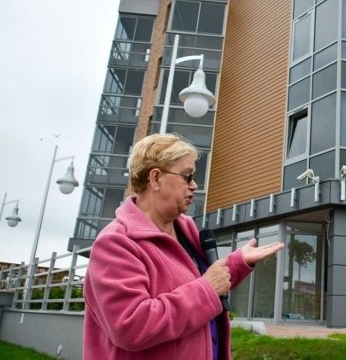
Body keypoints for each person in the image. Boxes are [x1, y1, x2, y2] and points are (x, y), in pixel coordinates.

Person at [83, 133, 284, 360]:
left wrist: (237, 263)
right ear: (156, 178)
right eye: (187, 177)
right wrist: (207, 289)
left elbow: (199, 283)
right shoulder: (116, 243)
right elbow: (131, 326)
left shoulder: (187, 230)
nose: (195, 186)